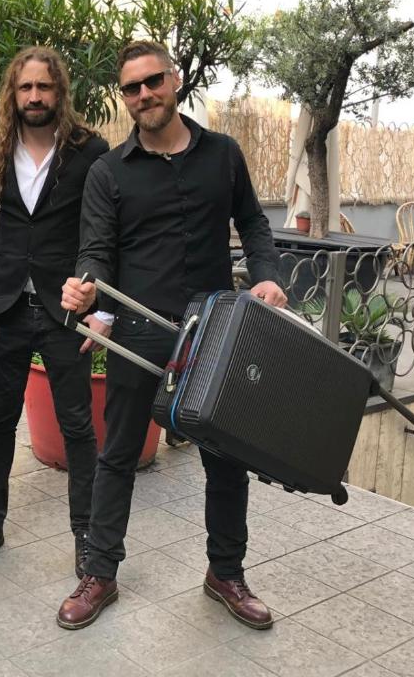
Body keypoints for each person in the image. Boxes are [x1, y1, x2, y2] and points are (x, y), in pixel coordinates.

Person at [56, 40, 287, 631]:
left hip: (214, 330)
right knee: (118, 455)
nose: (143, 96)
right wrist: (87, 288)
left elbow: (254, 224)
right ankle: (100, 572)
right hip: (140, 331)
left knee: (226, 458)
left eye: (152, 81)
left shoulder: (224, 155)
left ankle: (225, 573)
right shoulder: (110, 171)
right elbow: (96, 252)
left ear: (175, 79)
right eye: (131, 88)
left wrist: (265, 278)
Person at [0, 46, 109, 575]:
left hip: (63, 310)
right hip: (3, 310)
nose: (35, 97)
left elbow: (103, 235)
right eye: (25, 88)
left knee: (77, 426)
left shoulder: (89, 152)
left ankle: (87, 532)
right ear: (13, 94)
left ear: (59, 90)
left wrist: (100, 306)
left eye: (43, 87)